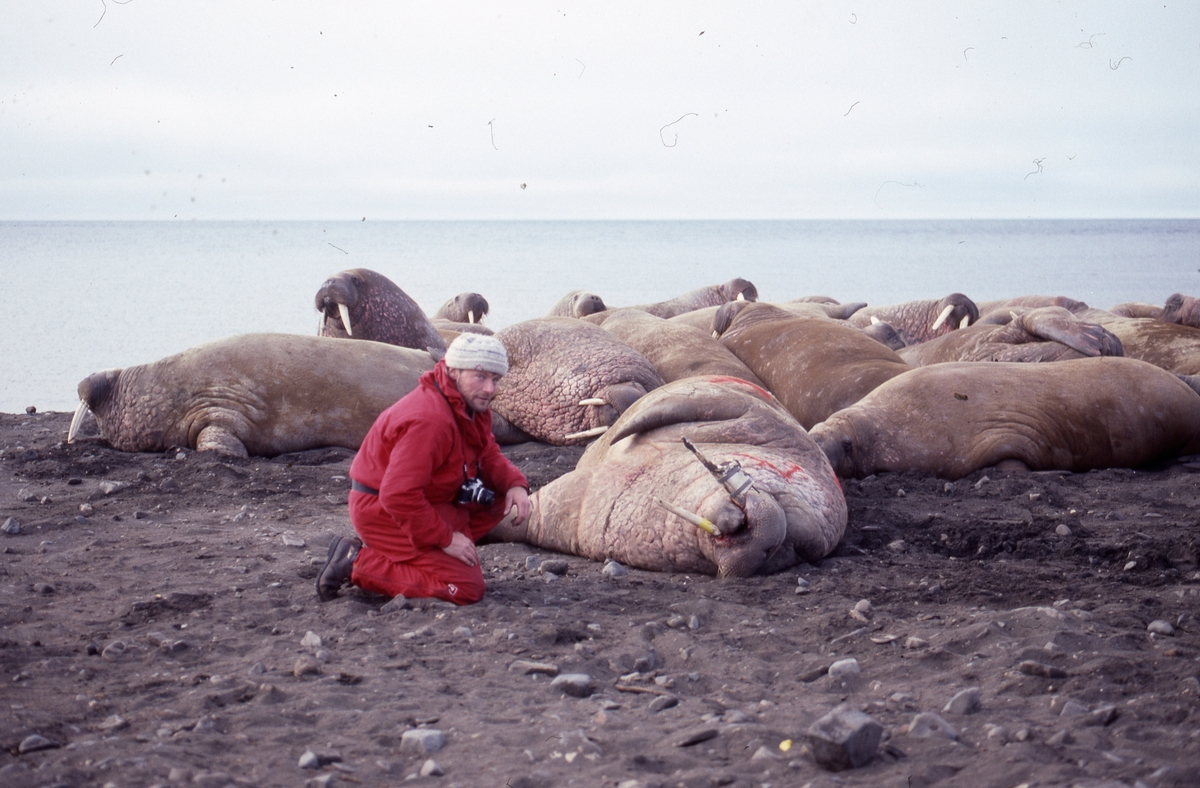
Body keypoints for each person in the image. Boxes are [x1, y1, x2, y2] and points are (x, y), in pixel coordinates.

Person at [317, 333, 531, 605]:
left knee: (499, 493)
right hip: (382, 509)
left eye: (495, 379)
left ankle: (427, 554)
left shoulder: (467, 406)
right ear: (453, 371)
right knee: (466, 588)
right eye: (480, 377)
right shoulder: (431, 420)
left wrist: (515, 483)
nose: (489, 388)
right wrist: (445, 539)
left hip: (426, 499)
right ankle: (355, 562)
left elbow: (486, 451)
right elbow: (397, 495)